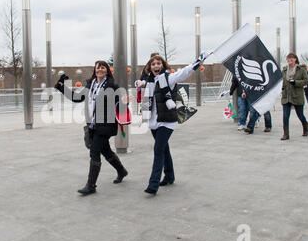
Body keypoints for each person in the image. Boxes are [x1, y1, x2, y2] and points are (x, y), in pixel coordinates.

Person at [136, 52, 209, 195]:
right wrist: (138, 84)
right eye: (153, 64)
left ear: (162, 65)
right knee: (164, 149)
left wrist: (197, 62)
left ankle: (153, 184)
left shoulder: (169, 78)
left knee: (158, 150)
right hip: (153, 120)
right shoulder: (149, 80)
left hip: (167, 121)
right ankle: (169, 176)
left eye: (158, 63)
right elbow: (141, 84)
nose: (156, 66)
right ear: (150, 67)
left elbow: (184, 72)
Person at [55, 60, 129, 195]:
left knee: (94, 151)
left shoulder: (112, 86)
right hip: (93, 124)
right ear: (95, 71)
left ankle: (91, 185)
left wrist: (124, 102)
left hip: (106, 124)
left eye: (102, 68)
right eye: (97, 68)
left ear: (107, 70)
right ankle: (121, 171)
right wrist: (62, 87)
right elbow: (76, 97)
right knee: (106, 151)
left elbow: (121, 104)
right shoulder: (90, 85)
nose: (100, 70)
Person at [280, 53, 308, 140]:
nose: (289, 60)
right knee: (285, 116)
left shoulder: (301, 69)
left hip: (297, 95)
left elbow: (306, 81)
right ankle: (286, 134)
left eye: (291, 59)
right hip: (286, 96)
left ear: (295, 59)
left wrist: (296, 82)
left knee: (300, 115)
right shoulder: (284, 70)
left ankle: (305, 126)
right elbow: (281, 81)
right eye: (288, 59)